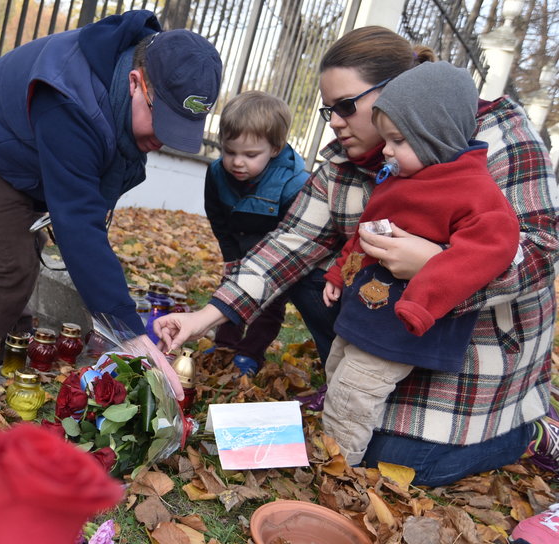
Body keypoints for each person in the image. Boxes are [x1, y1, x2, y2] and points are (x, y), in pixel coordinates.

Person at [154, 26, 559, 486]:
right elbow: (287, 244)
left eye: (346, 106)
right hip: (385, 326)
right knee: (315, 296)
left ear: (397, 93)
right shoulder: (344, 165)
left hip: (468, 344)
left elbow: (542, 252)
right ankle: (350, 393)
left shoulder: (497, 137)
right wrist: (202, 318)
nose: (333, 121)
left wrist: (435, 265)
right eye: (330, 110)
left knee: (394, 460)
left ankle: (526, 430)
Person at [0, 11, 222, 355]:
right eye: (161, 120)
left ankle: (15, 339)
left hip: (28, 145)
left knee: (24, 251)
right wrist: (129, 332)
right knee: (13, 262)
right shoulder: (69, 99)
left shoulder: (127, 84)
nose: (164, 139)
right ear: (135, 82)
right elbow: (78, 224)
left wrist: (112, 314)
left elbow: (88, 210)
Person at [319, 61, 520, 466]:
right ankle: (331, 442)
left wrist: (423, 298)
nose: (386, 150)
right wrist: (341, 271)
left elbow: (485, 251)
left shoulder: (472, 190)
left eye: (397, 140)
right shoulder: (402, 177)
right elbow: (367, 229)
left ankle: (337, 468)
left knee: (356, 393)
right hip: (366, 312)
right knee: (337, 370)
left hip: (403, 324)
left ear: (435, 137)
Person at [204, 91, 309, 376]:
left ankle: (250, 353)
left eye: (250, 155)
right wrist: (231, 256)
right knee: (230, 289)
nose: (237, 162)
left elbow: (294, 235)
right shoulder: (216, 173)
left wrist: (266, 268)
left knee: (269, 306)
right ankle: (225, 345)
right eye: (229, 151)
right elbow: (218, 218)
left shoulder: (293, 183)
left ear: (275, 148)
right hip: (240, 245)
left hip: (277, 256)